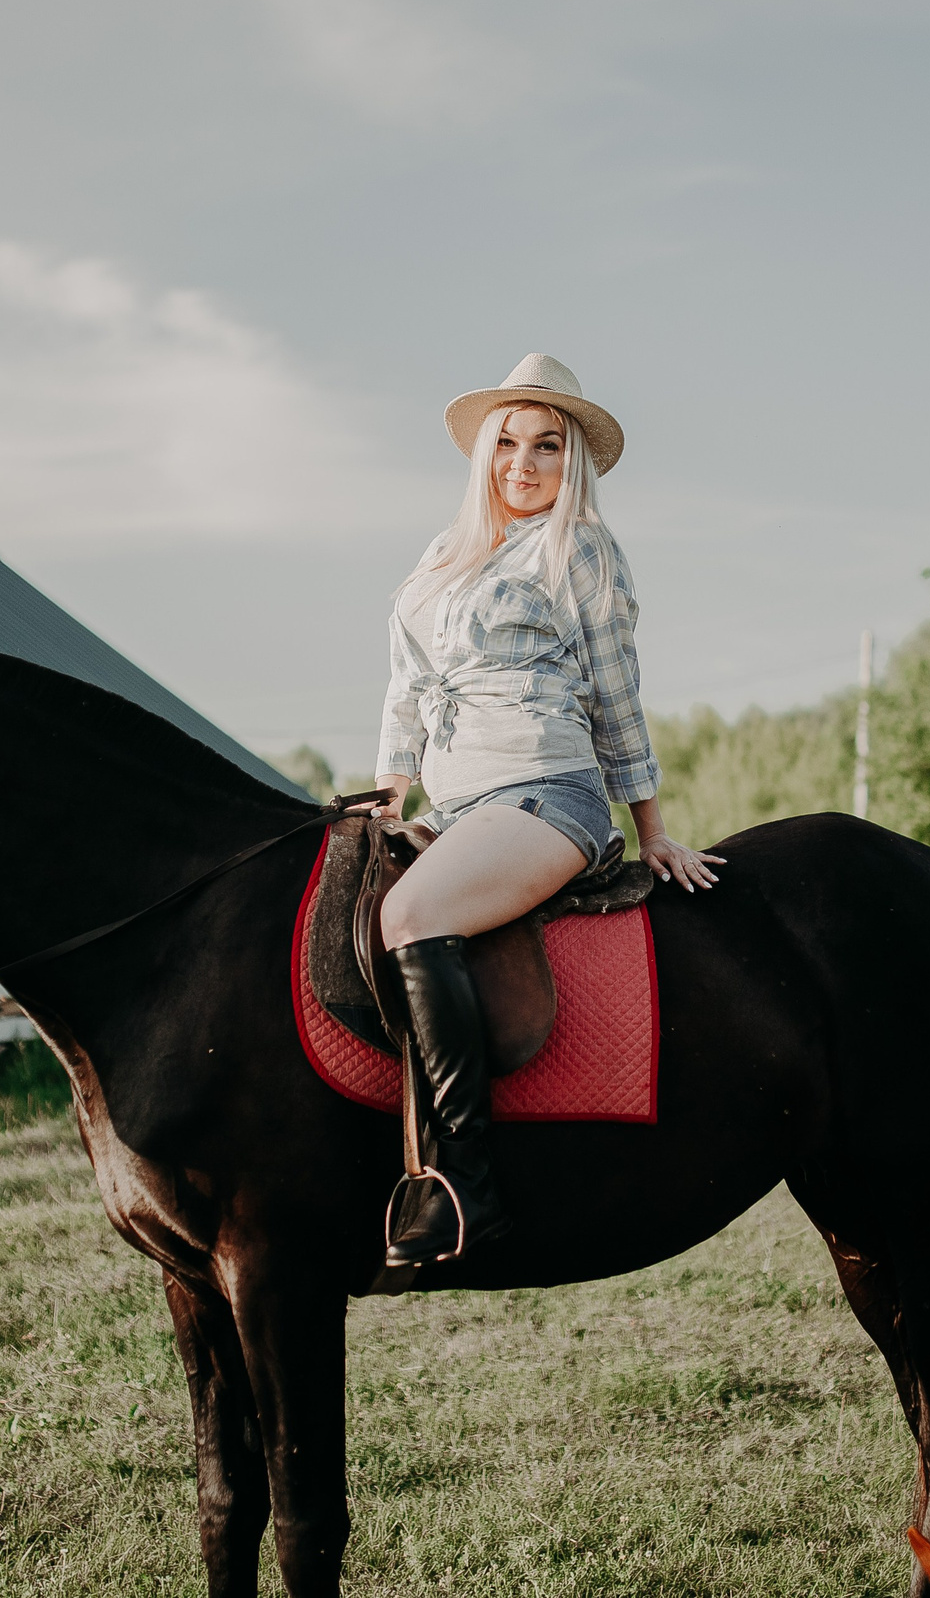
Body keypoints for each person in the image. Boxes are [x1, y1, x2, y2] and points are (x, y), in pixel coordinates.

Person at [373, 352, 725, 1268]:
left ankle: (466, 1185)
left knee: (410, 913)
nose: (523, 464)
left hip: (544, 790)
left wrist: (651, 831)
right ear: (484, 453)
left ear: (573, 466)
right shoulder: (442, 558)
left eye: (548, 447)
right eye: (509, 443)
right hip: (455, 804)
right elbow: (408, 686)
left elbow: (616, 692)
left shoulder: (580, 549)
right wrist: (389, 786)